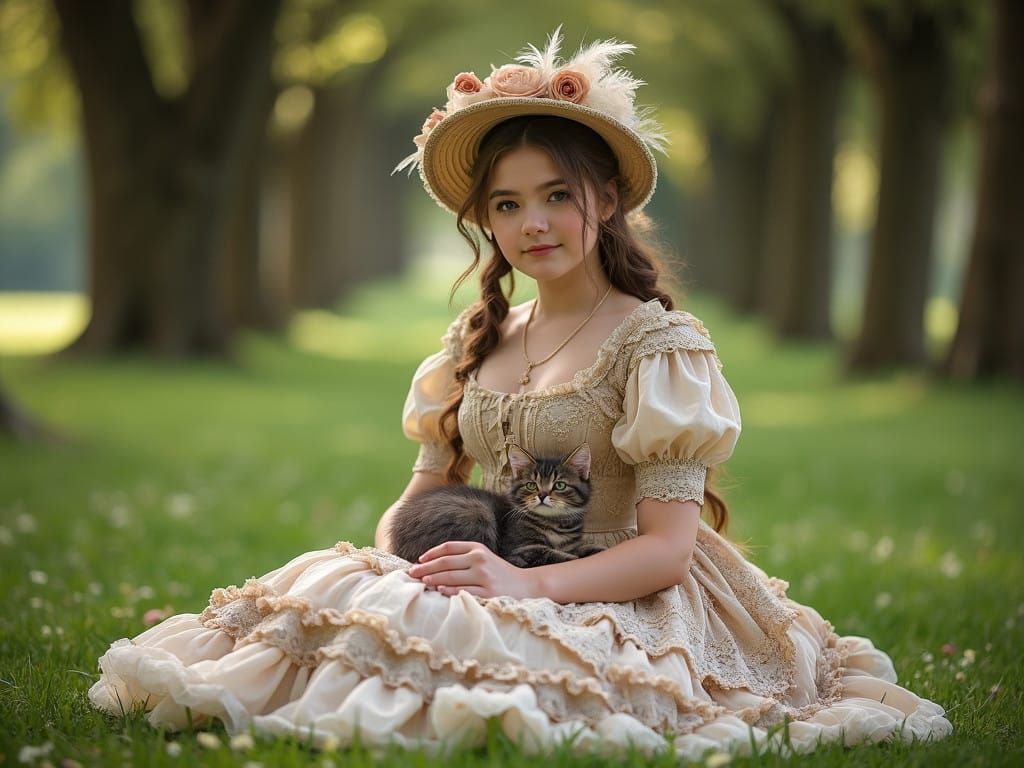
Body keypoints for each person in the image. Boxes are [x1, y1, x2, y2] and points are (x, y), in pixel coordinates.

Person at [89, 29, 952, 758]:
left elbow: (667, 552)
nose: (531, 224)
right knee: (347, 594)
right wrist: (415, 567)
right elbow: (421, 496)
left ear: (606, 200)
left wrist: (526, 585)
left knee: (490, 642)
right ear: (486, 222)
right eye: (506, 205)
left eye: (555, 197)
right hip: (491, 564)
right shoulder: (478, 339)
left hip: (617, 588)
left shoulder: (659, 348)